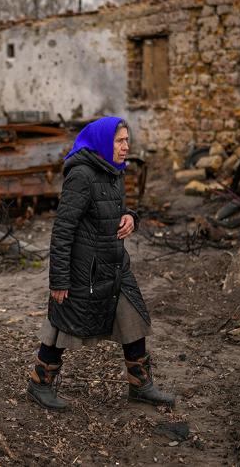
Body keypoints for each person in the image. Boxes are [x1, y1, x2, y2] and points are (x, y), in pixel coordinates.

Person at [27, 116, 175, 411]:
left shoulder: (114, 171)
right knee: (63, 324)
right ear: (103, 143)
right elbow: (63, 228)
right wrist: (59, 280)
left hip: (116, 265)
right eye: (119, 141)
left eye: (126, 141)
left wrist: (131, 216)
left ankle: (141, 386)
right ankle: (39, 384)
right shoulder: (81, 175)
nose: (126, 147)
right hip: (85, 271)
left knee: (133, 319)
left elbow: (119, 208)